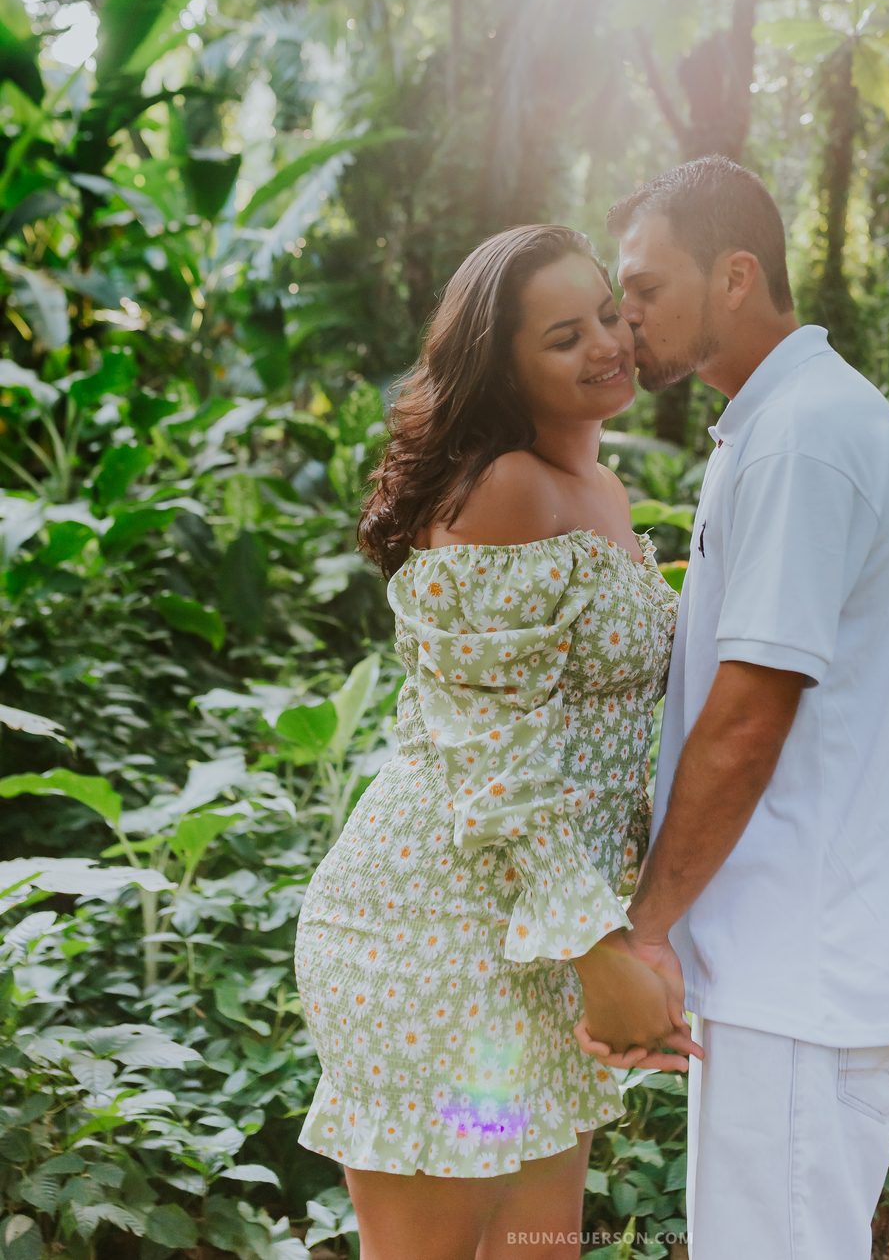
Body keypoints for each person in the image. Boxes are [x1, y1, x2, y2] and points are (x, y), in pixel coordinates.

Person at [293, 223, 699, 1260]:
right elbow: (496, 757)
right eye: (564, 336)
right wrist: (599, 951)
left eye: (606, 314)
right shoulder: (506, 490)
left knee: (534, 1249)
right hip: (435, 952)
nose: (607, 343)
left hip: (532, 946)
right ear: (503, 367)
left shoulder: (601, 489)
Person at [576, 156, 889, 1260]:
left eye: (647, 289)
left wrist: (645, 929)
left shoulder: (802, 436)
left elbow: (748, 718)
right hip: (780, 964)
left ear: (736, 276)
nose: (627, 318)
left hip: (801, 963)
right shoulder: (777, 424)